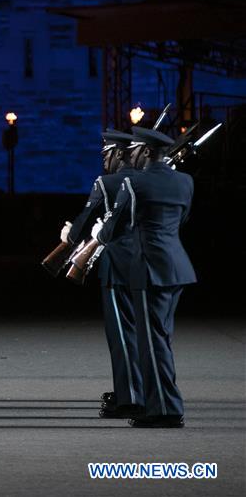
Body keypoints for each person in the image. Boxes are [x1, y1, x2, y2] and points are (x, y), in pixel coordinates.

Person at [96, 127, 195, 429]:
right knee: (161, 339)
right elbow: (183, 219)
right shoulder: (185, 181)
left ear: (148, 152)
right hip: (177, 266)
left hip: (148, 269)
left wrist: (98, 230)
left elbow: (110, 231)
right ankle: (160, 402)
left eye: (136, 150)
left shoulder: (133, 182)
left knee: (151, 342)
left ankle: (165, 409)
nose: (131, 155)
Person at [63, 130, 144, 419]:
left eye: (106, 154)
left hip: (118, 264)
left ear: (118, 153)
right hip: (146, 263)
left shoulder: (107, 183)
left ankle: (130, 398)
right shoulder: (145, 181)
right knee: (143, 333)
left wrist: (69, 235)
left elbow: (84, 221)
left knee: (121, 334)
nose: (104, 161)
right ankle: (139, 391)